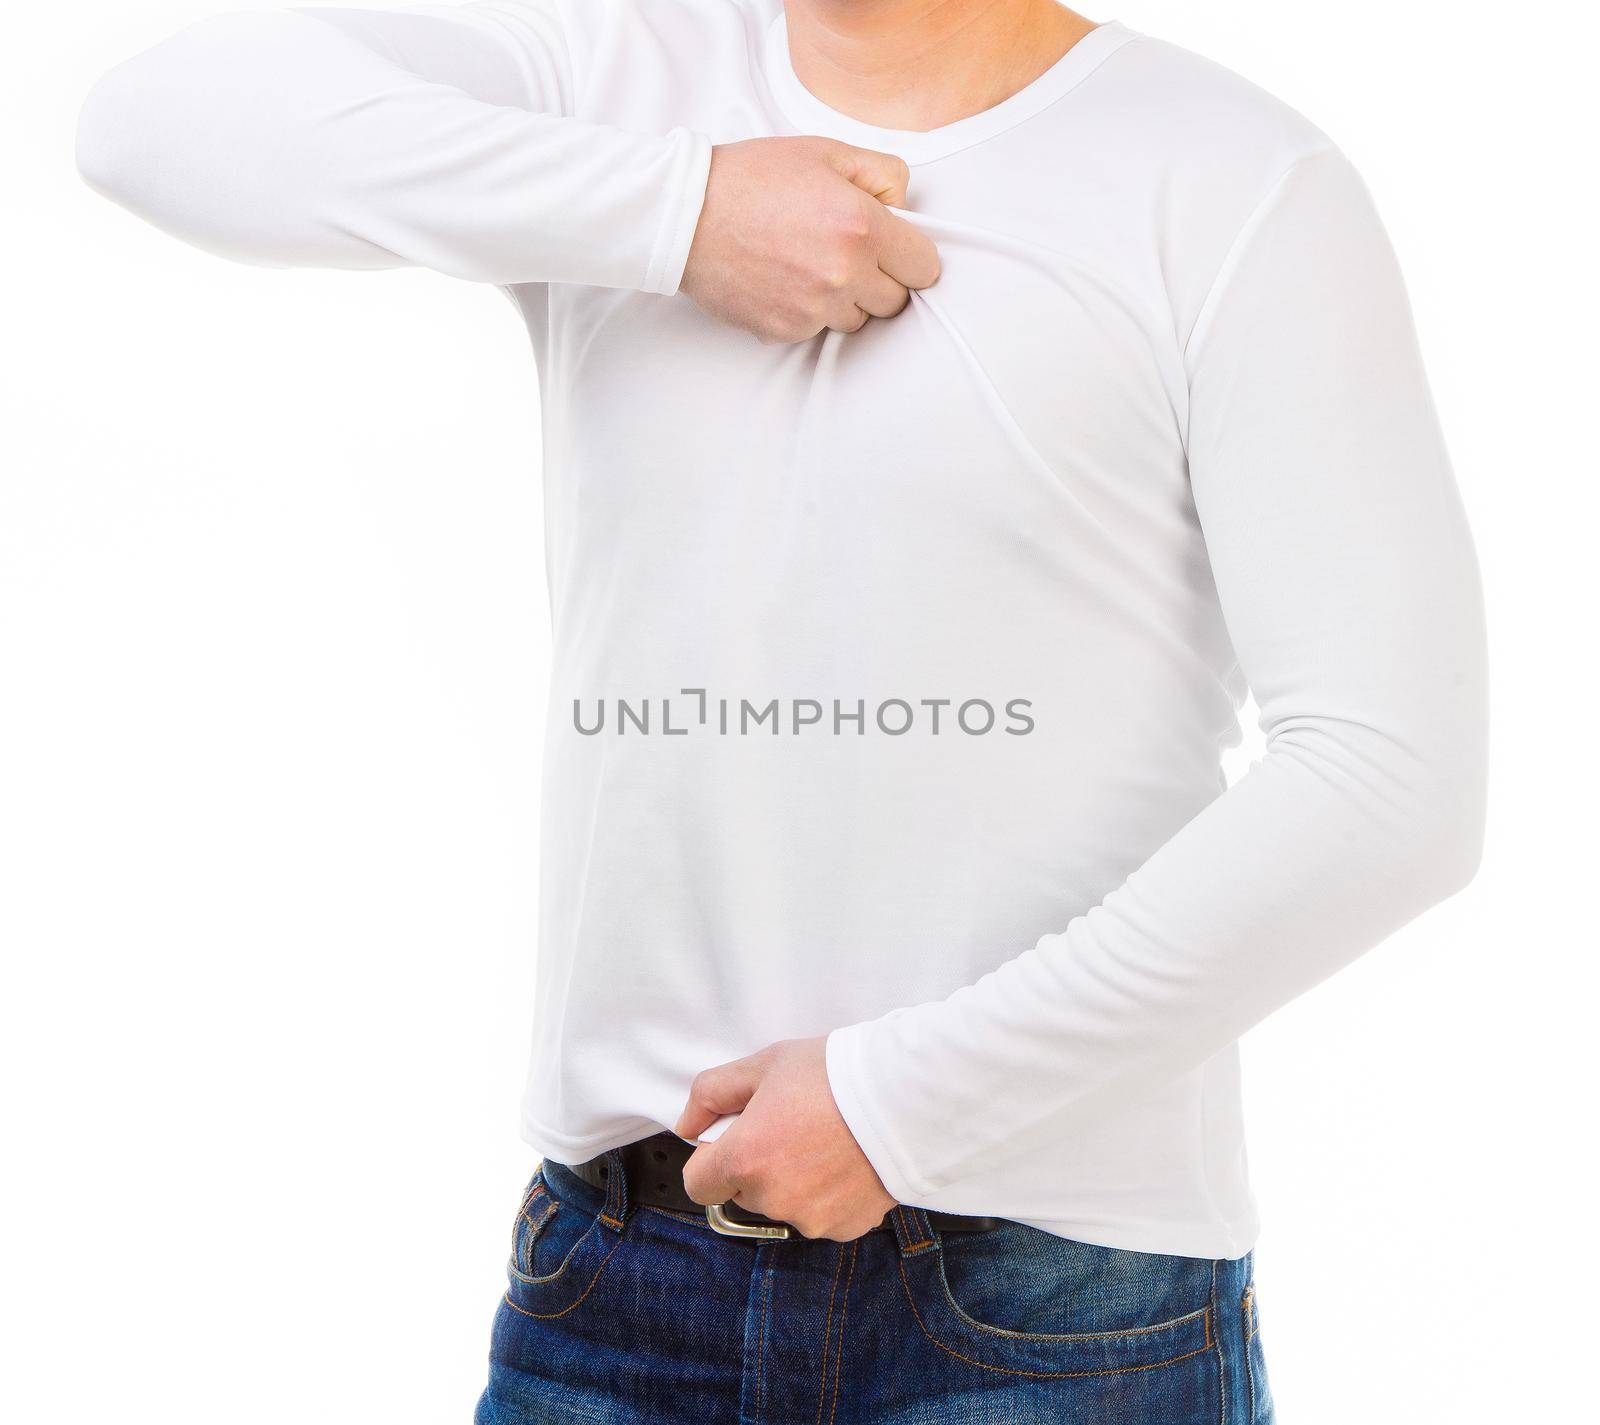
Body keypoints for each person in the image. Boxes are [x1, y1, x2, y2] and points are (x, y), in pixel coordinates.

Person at [76, 1, 1487, 1420]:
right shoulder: (612, 88)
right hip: (615, 1282)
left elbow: (1390, 780)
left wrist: (903, 1101)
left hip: (1054, 1309)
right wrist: (677, 212)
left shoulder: (1235, 180)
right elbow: (153, 122)